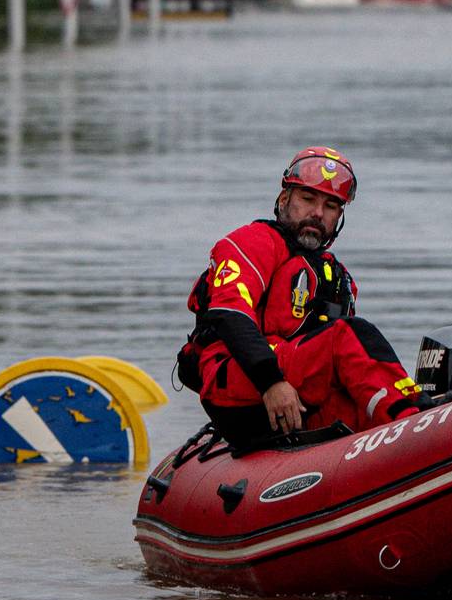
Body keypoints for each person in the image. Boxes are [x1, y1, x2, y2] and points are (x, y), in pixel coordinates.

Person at [177, 146, 422, 448]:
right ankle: (414, 425)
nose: (318, 213)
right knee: (351, 335)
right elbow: (231, 313)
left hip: (301, 401)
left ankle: (423, 433)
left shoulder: (339, 277)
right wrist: (271, 382)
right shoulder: (253, 243)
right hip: (244, 384)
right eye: (308, 199)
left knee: (361, 401)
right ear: (284, 200)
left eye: (331, 206)